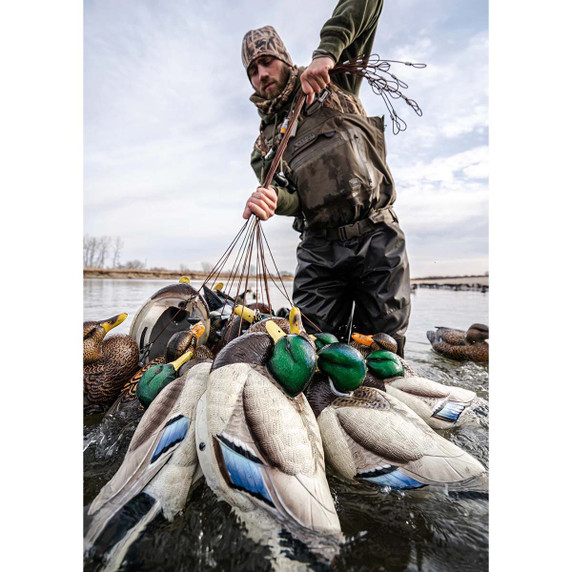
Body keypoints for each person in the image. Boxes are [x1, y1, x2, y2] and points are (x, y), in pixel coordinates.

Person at [241, 0, 411, 357]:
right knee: (310, 357)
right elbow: (292, 198)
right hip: (319, 255)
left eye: (267, 62)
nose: (262, 74)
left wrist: (328, 52)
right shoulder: (262, 147)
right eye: (252, 70)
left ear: (285, 59)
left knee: (384, 357)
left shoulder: (335, 81)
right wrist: (272, 200)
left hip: (377, 239)